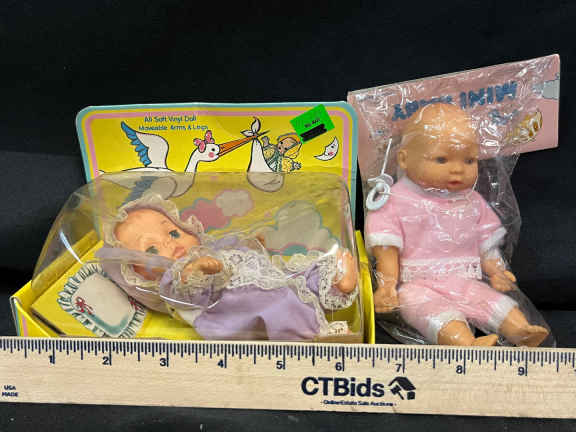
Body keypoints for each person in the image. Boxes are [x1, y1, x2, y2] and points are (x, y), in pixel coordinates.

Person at [365, 103, 549, 347]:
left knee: (488, 299)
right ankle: (465, 343)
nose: (458, 169)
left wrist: (496, 271)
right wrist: (387, 285)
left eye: (469, 160)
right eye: (441, 159)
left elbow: (486, 245)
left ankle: (521, 331)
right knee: (428, 309)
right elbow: (387, 249)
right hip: (417, 283)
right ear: (404, 159)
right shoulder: (396, 199)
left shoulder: (471, 202)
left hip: (465, 280)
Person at [98, 194, 358, 341]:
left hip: (268, 279)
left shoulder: (211, 248)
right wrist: (194, 271)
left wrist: (253, 244)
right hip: (243, 309)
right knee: (280, 307)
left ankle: (335, 283)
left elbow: (235, 247)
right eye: (152, 250)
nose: (169, 242)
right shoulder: (171, 284)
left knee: (297, 272)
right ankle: (316, 338)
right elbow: (186, 289)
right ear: (138, 275)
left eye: (174, 233)